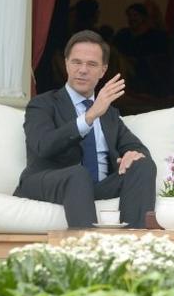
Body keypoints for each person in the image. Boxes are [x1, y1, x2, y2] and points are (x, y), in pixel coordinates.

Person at [14, 30, 156, 228]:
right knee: (78, 175)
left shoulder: (109, 113)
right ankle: (87, 251)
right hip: (49, 181)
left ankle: (131, 247)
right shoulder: (43, 104)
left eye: (91, 64)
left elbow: (137, 147)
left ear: (103, 70)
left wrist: (133, 155)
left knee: (143, 164)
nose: (82, 70)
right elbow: (43, 146)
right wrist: (89, 117)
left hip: (95, 186)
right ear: (66, 64)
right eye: (76, 62)